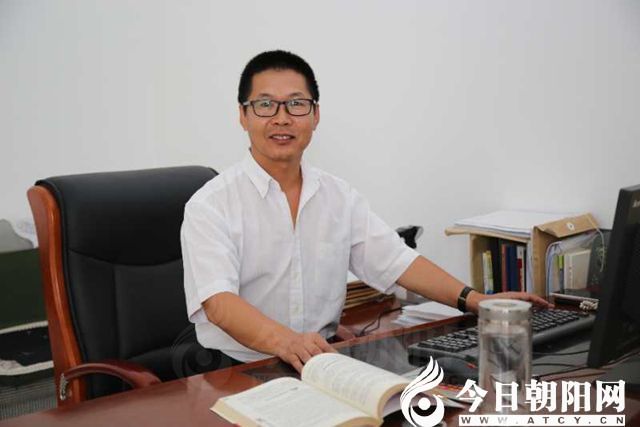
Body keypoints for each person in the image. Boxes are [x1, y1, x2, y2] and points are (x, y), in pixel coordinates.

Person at [181, 50, 550, 373]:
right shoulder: (210, 205)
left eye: (296, 104)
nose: (281, 118)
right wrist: (289, 343)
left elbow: (396, 261)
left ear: (315, 115)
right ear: (243, 116)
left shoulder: (338, 197)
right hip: (234, 368)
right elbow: (219, 303)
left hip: (320, 360)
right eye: (265, 105)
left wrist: (476, 301)